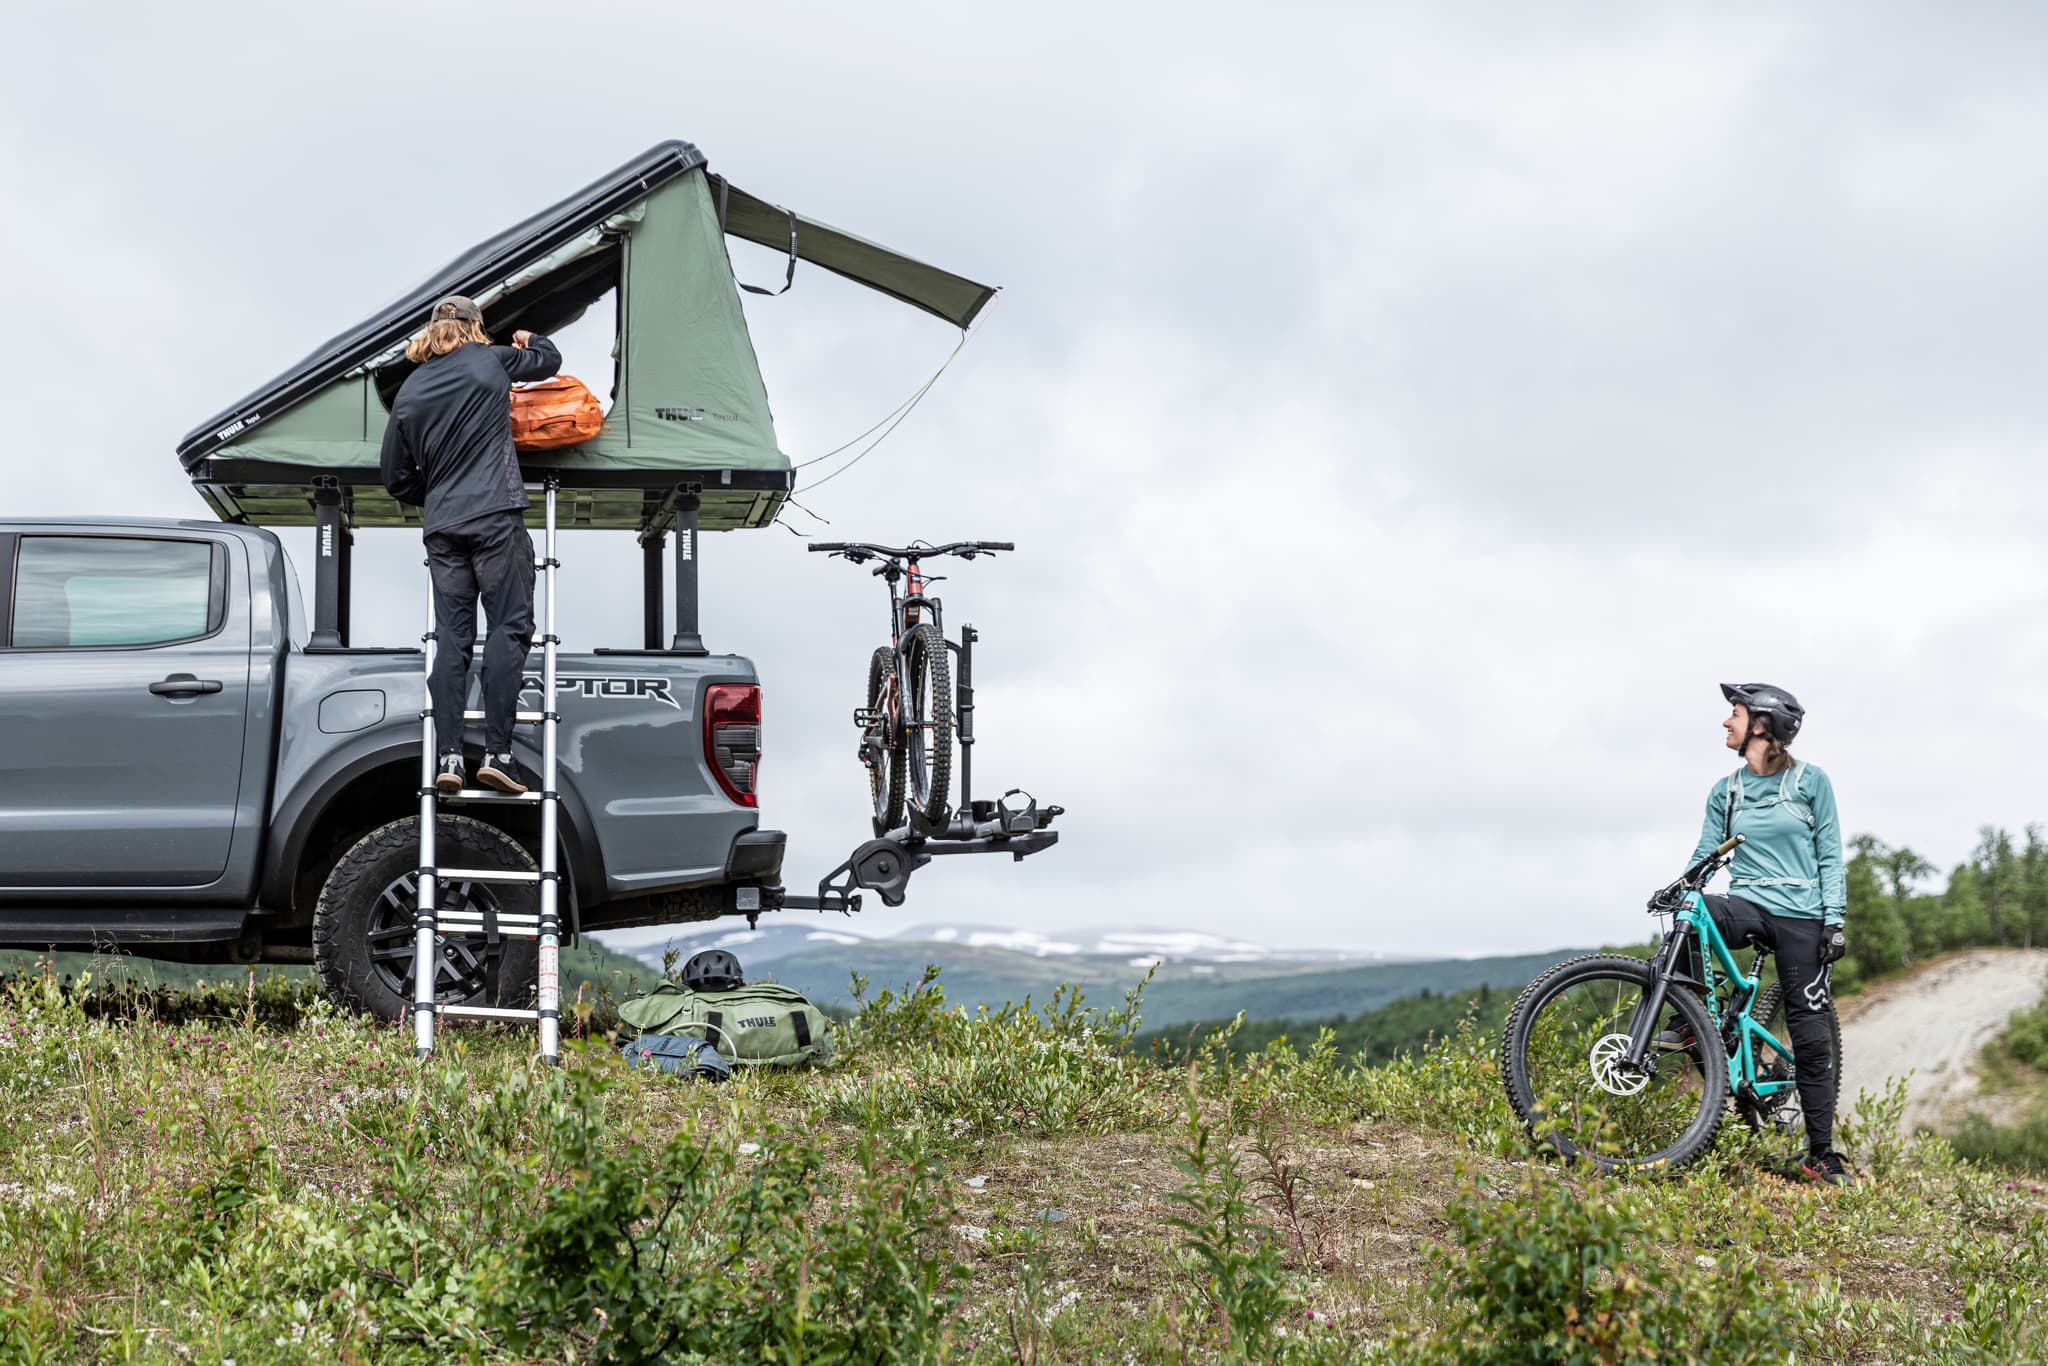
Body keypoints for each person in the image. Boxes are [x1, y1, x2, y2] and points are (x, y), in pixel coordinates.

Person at [1665, 682, 1850, 1185]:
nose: (1727, 723)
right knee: (1693, 911)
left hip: (1803, 916)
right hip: (1749, 904)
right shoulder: (1726, 791)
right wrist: (1681, 888)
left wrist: (1834, 920)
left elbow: (1830, 854)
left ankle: (1820, 1154)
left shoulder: (1811, 783)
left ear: (1763, 725)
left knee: (1812, 1039)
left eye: (1735, 714)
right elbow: (1707, 853)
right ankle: (1689, 1019)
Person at [379, 295, 561, 795]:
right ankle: (499, 753)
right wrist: (529, 340)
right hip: (494, 518)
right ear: (475, 326)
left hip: (442, 528)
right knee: (509, 626)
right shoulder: (492, 360)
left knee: (452, 639)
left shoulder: (410, 390)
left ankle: (450, 758)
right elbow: (549, 362)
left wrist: (436, 494)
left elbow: (394, 477)